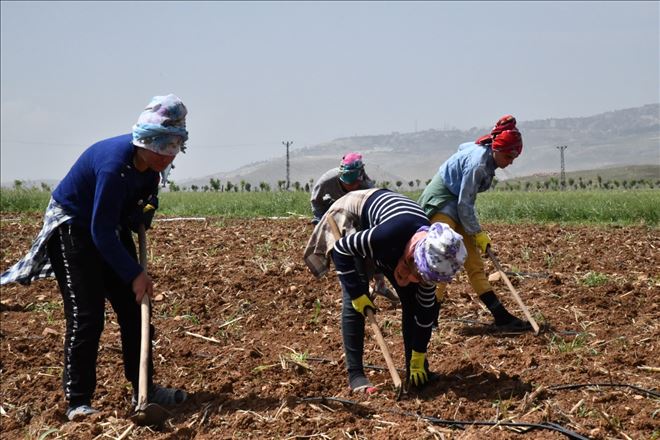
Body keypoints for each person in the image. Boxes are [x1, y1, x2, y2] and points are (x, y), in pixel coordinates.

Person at [0, 94, 189, 420]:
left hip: (107, 227)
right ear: (144, 141)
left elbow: (133, 210)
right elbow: (100, 230)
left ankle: (145, 390)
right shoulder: (114, 165)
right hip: (73, 228)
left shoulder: (151, 171)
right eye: (160, 149)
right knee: (87, 316)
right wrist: (134, 274)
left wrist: (143, 212)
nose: (165, 157)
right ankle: (78, 401)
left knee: (134, 310)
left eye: (171, 150)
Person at [304, 188, 467, 392]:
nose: (410, 278)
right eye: (410, 267)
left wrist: (419, 355)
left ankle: (413, 370)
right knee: (356, 295)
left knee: (412, 301)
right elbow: (342, 250)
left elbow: (424, 314)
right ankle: (356, 376)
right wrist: (356, 294)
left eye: (419, 277)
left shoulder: (432, 266)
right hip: (353, 215)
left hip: (390, 237)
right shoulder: (388, 235)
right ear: (413, 252)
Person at [418, 115, 532, 332]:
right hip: (441, 202)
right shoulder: (479, 164)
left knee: (474, 264)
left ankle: (500, 316)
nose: (512, 161)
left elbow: (463, 146)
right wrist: (477, 233)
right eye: (509, 155)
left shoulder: (484, 150)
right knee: (444, 257)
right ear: (497, 149)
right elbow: (465, 203)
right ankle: (428, 318)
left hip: (458, 207)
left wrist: (475, 234)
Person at [309, 152, 374, 225]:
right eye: (347, 184)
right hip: (333, 205)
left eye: (354, 183)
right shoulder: (328, 179)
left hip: (355, 209)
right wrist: (320, 218)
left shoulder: (367, 186)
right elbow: (315, 200)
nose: (351, 187)